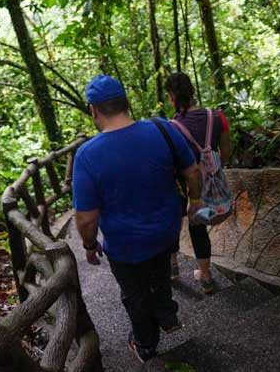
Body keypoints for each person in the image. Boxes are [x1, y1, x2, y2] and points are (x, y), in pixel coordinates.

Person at [73, 75, 204, 364]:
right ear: (127, 103)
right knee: (159, 271)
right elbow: (192, 171)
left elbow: (86, 217)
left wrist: (89, 244)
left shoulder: (87, 155)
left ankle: (145, 343)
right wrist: (195, 201)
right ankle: (167, 316)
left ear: (94, 110)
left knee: (134, 292)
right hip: (167, 229)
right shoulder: (162, 129)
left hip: (125, 244)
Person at [165, 72, 232, 294]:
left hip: (183, 187)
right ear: (192, 91)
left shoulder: (172, 127)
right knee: (198, 225)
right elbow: (226, 153)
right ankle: (205, 275)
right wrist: (211, 169)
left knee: (175, 220)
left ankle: (173, 265)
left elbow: (172, 163)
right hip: (207, 185)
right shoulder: (217, 116)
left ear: (173, 96)